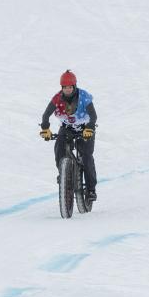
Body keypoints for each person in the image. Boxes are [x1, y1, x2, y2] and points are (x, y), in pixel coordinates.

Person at [39, 70, 99, 203]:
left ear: (74, 86)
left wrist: (89, 128)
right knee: (59, 146)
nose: (67, 90)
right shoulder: (57, 98)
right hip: (67, 128)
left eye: (70, 87)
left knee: (87, 156)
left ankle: (91, 190)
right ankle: (63, 172)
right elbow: (45, 115)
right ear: (62, 88)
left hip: (85, 128)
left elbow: (93, 116)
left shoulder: (84, 97)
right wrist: (45, 128)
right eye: (65, 87)